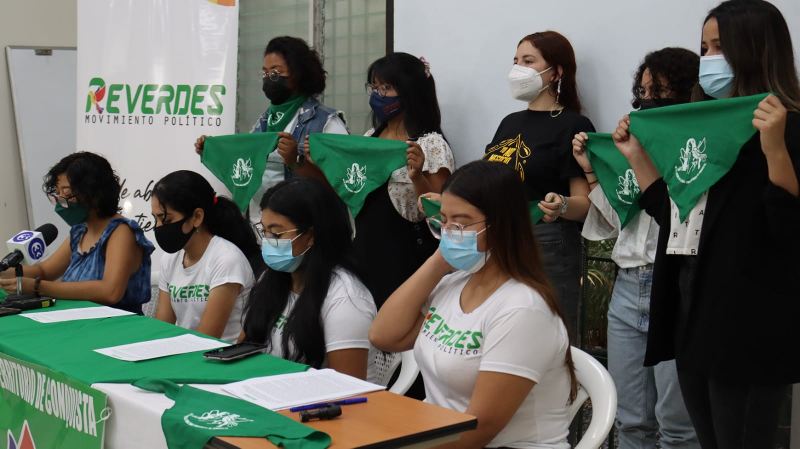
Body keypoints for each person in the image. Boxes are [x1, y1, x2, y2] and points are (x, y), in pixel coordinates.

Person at [612, 2, 800, 446]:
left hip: (749, 321)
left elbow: (790, 234)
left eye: (720, 46)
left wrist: (774, 147)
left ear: (754, 49)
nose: (709, 58)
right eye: (704, 47)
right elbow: (676, 213)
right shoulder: (700, 127)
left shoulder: (787, 126)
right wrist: (636, 156)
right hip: (691, 309)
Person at [371, 161, 577, 449]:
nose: (449, 232)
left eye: (462, 223)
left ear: (502, 226)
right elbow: (384, 336)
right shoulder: (453, 283)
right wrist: (438, 261)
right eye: (443, 220)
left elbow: (481, 428)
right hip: (437, 435)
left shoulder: (523, 309)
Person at [573, 48, 700, 449]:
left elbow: (681, 216)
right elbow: (617, 218)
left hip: (676, 286)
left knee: (678, 427)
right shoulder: (631, 145)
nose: (647, 100)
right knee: (629, 421)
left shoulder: (697, 148)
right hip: (627, 288)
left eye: (660, 91)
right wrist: (593, 170)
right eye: (643, 91)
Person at [484, 31, 594, 342]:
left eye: (529, 61)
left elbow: (585, 203)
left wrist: (560, 205)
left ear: (556, 72)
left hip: (548, 242)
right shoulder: (509, 122)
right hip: (501, 238)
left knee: (549, 337)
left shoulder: (573, 124)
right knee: (503, 334)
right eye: (516, 61)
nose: (518, 68)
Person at [194, 36, 348, 222]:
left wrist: (297, 162)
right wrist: (212, 149)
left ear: (298, 74)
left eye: (275, 73)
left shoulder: (326, 122)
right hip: (261, 229)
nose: (268, 79)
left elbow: (343, 185)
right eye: (265, 74)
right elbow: (244, 167)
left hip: (305, 231)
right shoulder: (265, 121)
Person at [240, 178, 378, 382]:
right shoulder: (272, 279)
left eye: (276, 234)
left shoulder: (347, 298)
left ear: (311, 235)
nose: (267, 242)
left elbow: (347, 390)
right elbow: (243, 349)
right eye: (264, 231)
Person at [347, 52, 455, 309]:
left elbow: (441, 214)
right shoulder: (369, 138)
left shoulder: (431, 144)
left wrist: (417, 176)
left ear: (409, 90)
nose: (378, 95)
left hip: (407, 254)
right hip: (366, 250)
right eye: (374, 87)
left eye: (387, 87)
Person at [0, 152, 154, 314]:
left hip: (119, 327)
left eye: (66, 194)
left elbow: (110, 292)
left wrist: (38, 287)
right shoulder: (80, 231)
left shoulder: (121, 232)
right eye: (57, 193)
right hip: (79, 321)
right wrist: (4, 272)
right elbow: (44, 271)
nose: (60, 201)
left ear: (94, 193)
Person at [151, 171, 261, 342]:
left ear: (197, 217)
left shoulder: (226, 260)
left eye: (165, 220)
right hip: (185, 353)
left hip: (220, 359)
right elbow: (162, 328)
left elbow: (206, 339)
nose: (158, 227)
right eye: (156, 219)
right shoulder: (170, 259)